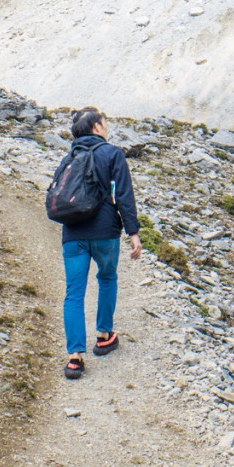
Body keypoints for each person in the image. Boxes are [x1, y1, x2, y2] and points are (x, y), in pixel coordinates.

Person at [50, 106, 141, 380]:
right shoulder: (112, 154)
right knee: (107, 277)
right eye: (104, 122)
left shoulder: (68, 158)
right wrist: (133, 232)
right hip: (105, 232)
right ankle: (103, 336)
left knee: (74, 293)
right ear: (96, 127)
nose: (106, 126)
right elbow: (123, 195)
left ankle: (75, 358)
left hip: (73, 234)